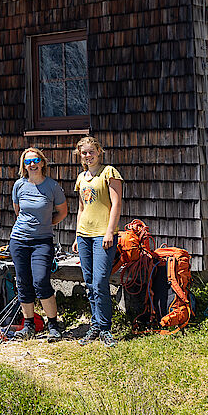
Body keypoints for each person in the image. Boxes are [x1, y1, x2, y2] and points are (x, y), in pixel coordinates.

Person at [8, 147, 67, 342]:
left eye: (35, 161)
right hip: (19, 240)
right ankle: (29, 325)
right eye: (27, 162)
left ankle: (53, 324)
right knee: (23, 282)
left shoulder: (52, 186)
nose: (31, 164)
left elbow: (62, 212)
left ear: (42, 163)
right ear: (23, 166)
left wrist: (45, 223)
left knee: (41, 281)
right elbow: (18, 211)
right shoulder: (19, 185)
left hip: (42, 241)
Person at [71, 136, 123, 347]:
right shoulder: (81, 177)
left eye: (91, 151)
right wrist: (76, 235)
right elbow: (81, 208)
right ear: (80, 156)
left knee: (101, 281)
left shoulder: (109, 172)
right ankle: (95, 325)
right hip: (84, 234)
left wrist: (110, 231)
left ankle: (105, 327)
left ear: (99, 152)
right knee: (90, 282)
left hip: (103, 234)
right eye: (84, 153)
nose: (88, 156)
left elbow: (117, 203)